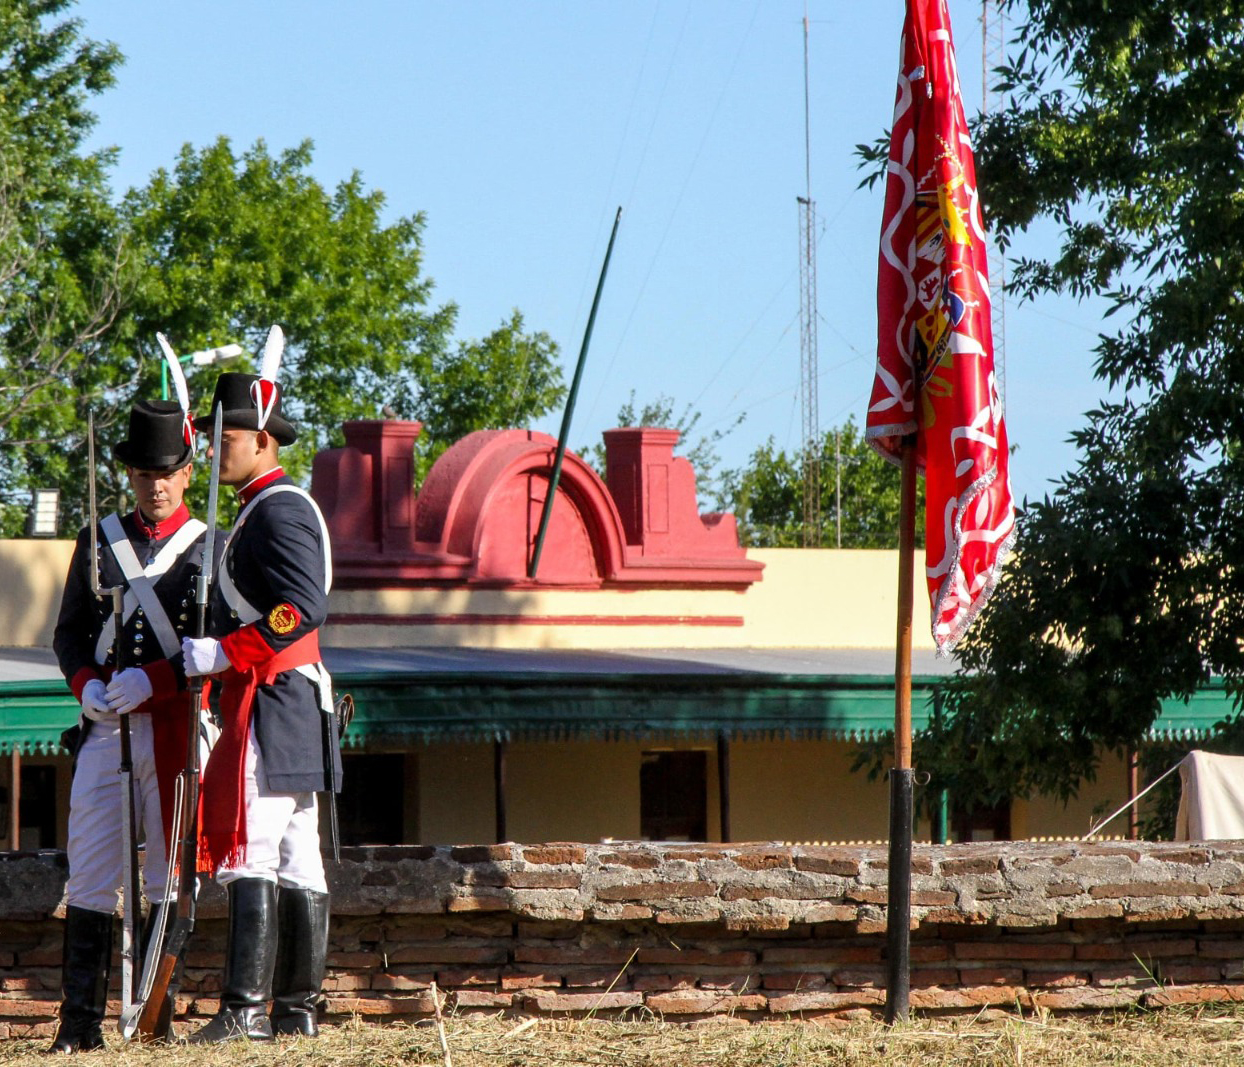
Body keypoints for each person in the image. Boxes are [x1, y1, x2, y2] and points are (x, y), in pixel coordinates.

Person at [181, 370, 339, 1043]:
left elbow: (302, 606)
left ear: (265, 440)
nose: (216, 450)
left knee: (253, 847)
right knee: (298, 855)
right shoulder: (258, 508)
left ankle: (246, 1012)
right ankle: (295, 1013)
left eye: (229, 436)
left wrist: (225, 651)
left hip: (270, 698)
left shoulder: (280, 509)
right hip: (288, 700)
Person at [50, 399, 210, 1052]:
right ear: (130, 475)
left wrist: (160, 680)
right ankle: (78, 1027)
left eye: (167, 470)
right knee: (88, 872)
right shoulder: (99, 540)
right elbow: (69, 635)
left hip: (174, 727)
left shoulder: (208, 547)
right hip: (107, 727)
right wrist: (87, 686)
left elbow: (217, 648)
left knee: (166, 876)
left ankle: (155, 1019)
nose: (156, 483)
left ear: (188, 471)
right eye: (144, 472)